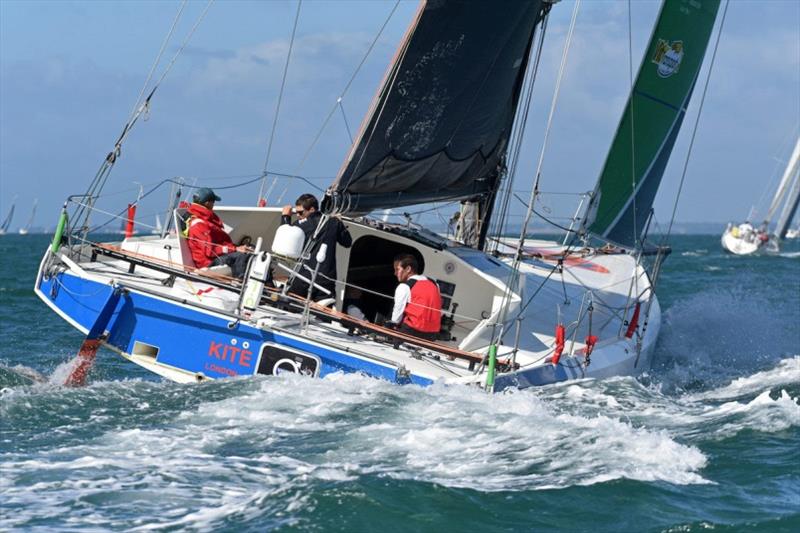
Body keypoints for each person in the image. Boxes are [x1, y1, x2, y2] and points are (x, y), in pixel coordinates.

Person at [281, 193, 352, 299]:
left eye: (300, 212)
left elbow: (285, 239)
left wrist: (285, 217)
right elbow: (347, 242)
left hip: (304, 278)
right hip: (326, 281)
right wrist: (339, 223)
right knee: (322, 312)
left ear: (312, 209)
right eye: (297, 212)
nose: (298, 215)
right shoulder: (334, 222)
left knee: (287, 305)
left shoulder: (300, 225)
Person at [186, 187, 250, 278]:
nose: (214, 205)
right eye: (213, 202)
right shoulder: (198, 224)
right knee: (242, 256)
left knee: (249, 249)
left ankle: (266, 284)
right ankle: (239, 283)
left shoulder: (203, 218)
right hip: (208, 262)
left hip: (214, 256)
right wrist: (234, 249)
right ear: (207, 203)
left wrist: (235, 247)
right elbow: (210, 251)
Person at [390, 253, 441, 341]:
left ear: (408, 269)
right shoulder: (435, 284)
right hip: (432, 335)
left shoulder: (404, 287)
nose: (395, 273)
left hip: (411, 331)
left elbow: (396, 318)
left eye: (397, 269)